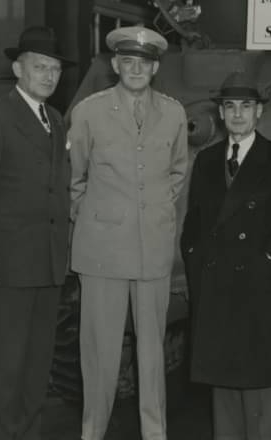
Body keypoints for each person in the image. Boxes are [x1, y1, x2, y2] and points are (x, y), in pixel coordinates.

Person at [67, 25, 189, 440]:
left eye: (145, 63)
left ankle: (155, 433)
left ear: (155, 69)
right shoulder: (88, 112)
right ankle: (92, 432)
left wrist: (150, 212)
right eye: (129, 62)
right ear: (116, 64)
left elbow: (176, 172)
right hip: (102, 252)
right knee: (99, 353)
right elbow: (74, 179)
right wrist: (102, 218)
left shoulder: (173, 113)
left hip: (152, 249)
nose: (136, 69)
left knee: (151, 354)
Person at [180, 71, 271, 440]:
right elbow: (195, 221)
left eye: (246, 106)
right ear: (221, 114)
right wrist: (194, 260)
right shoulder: (207, 161)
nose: (238, 114)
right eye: (230, 106)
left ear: (259, 113)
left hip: (256, 287)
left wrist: (270, 259)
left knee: (258, 388)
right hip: (215, 288)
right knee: (221, 389)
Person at [0, 25, 74, 440]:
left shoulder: (56, 121)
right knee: (4, 362)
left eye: (55, 69)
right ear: (18, 69)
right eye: (40, 67)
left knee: (36, 363)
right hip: (7, 265)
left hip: (47, 263)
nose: (48, 76)